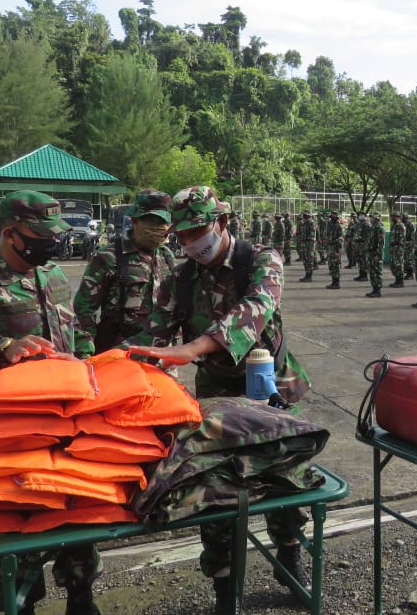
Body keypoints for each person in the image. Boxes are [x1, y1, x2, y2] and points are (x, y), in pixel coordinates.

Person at [132, 186, 312, 614]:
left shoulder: (261, 260)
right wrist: (131, 363)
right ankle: (225, 589)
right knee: (217, 490)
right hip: (216, 392)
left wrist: (192, 348)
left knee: (285, 479)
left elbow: (255, 308)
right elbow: (156, 332)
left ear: (223, 223)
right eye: (184, 235)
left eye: (199, 230)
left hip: (272, 388)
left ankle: (289, 557)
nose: (192, 242)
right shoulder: (181, 277)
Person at [0, 190, 100, 615]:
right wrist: (4, 348)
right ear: (9, 233)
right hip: (11, 436)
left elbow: (77, 332)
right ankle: (21, 603)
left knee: (79, 520)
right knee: (17, 534)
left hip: (68, 426)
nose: (53, 244)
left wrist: (90, 367)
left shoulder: (53, 276)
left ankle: (81, 598)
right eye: (41, 235)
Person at [74, 189, 176, 353]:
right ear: (135, 221)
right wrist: (85, 351)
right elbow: (84, 309)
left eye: (164, 222)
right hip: (120, 353)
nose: (160, 228)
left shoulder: (166, 256)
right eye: (153, 221)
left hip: (161, 353)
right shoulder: (109, 257)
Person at [365, 212, 385, 297]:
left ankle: (378, 291)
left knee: (377, 272)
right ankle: (374, 289)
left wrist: (379, 255)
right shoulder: (372, 228)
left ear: (377, 219)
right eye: (371, 218)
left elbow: (381, 243)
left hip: (376, 253)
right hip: (371, 253)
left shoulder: (380, 228)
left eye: (372, 218)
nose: (371, 219)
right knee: (372, 272)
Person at [324, 209, 344, 289]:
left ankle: (336, 283)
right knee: (331, 265)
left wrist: (337, 251)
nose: (331, 218)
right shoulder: (329, 224)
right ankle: (333, 282)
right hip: (330, 248)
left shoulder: (338, 226)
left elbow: (340, 239)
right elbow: (327, 236)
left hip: (335, 248)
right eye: (331, 216)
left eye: (333, 217)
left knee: (335, 266)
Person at [296, 209, 317, 283]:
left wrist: (306, 240)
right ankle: (306, 275)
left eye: (305, 215)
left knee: (309, 260)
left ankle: (309, 276)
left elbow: (312, 235)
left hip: (309, 244)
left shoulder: (311, 223)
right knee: (305, 260)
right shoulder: (304, 223)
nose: (304, 216)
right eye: (303, 214)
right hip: (304, 244)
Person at [387, 210, 406, 288]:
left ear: (398, 217)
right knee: (393, 265)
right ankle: (396, 280)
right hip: (393, 248)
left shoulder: (401, 226)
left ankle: (400, 281)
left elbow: (402, 239)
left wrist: (399, 249)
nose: (393, 218)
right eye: (392, 216)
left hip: (398, 248)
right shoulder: (393, 226)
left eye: (395, 216)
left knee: (399, 265)